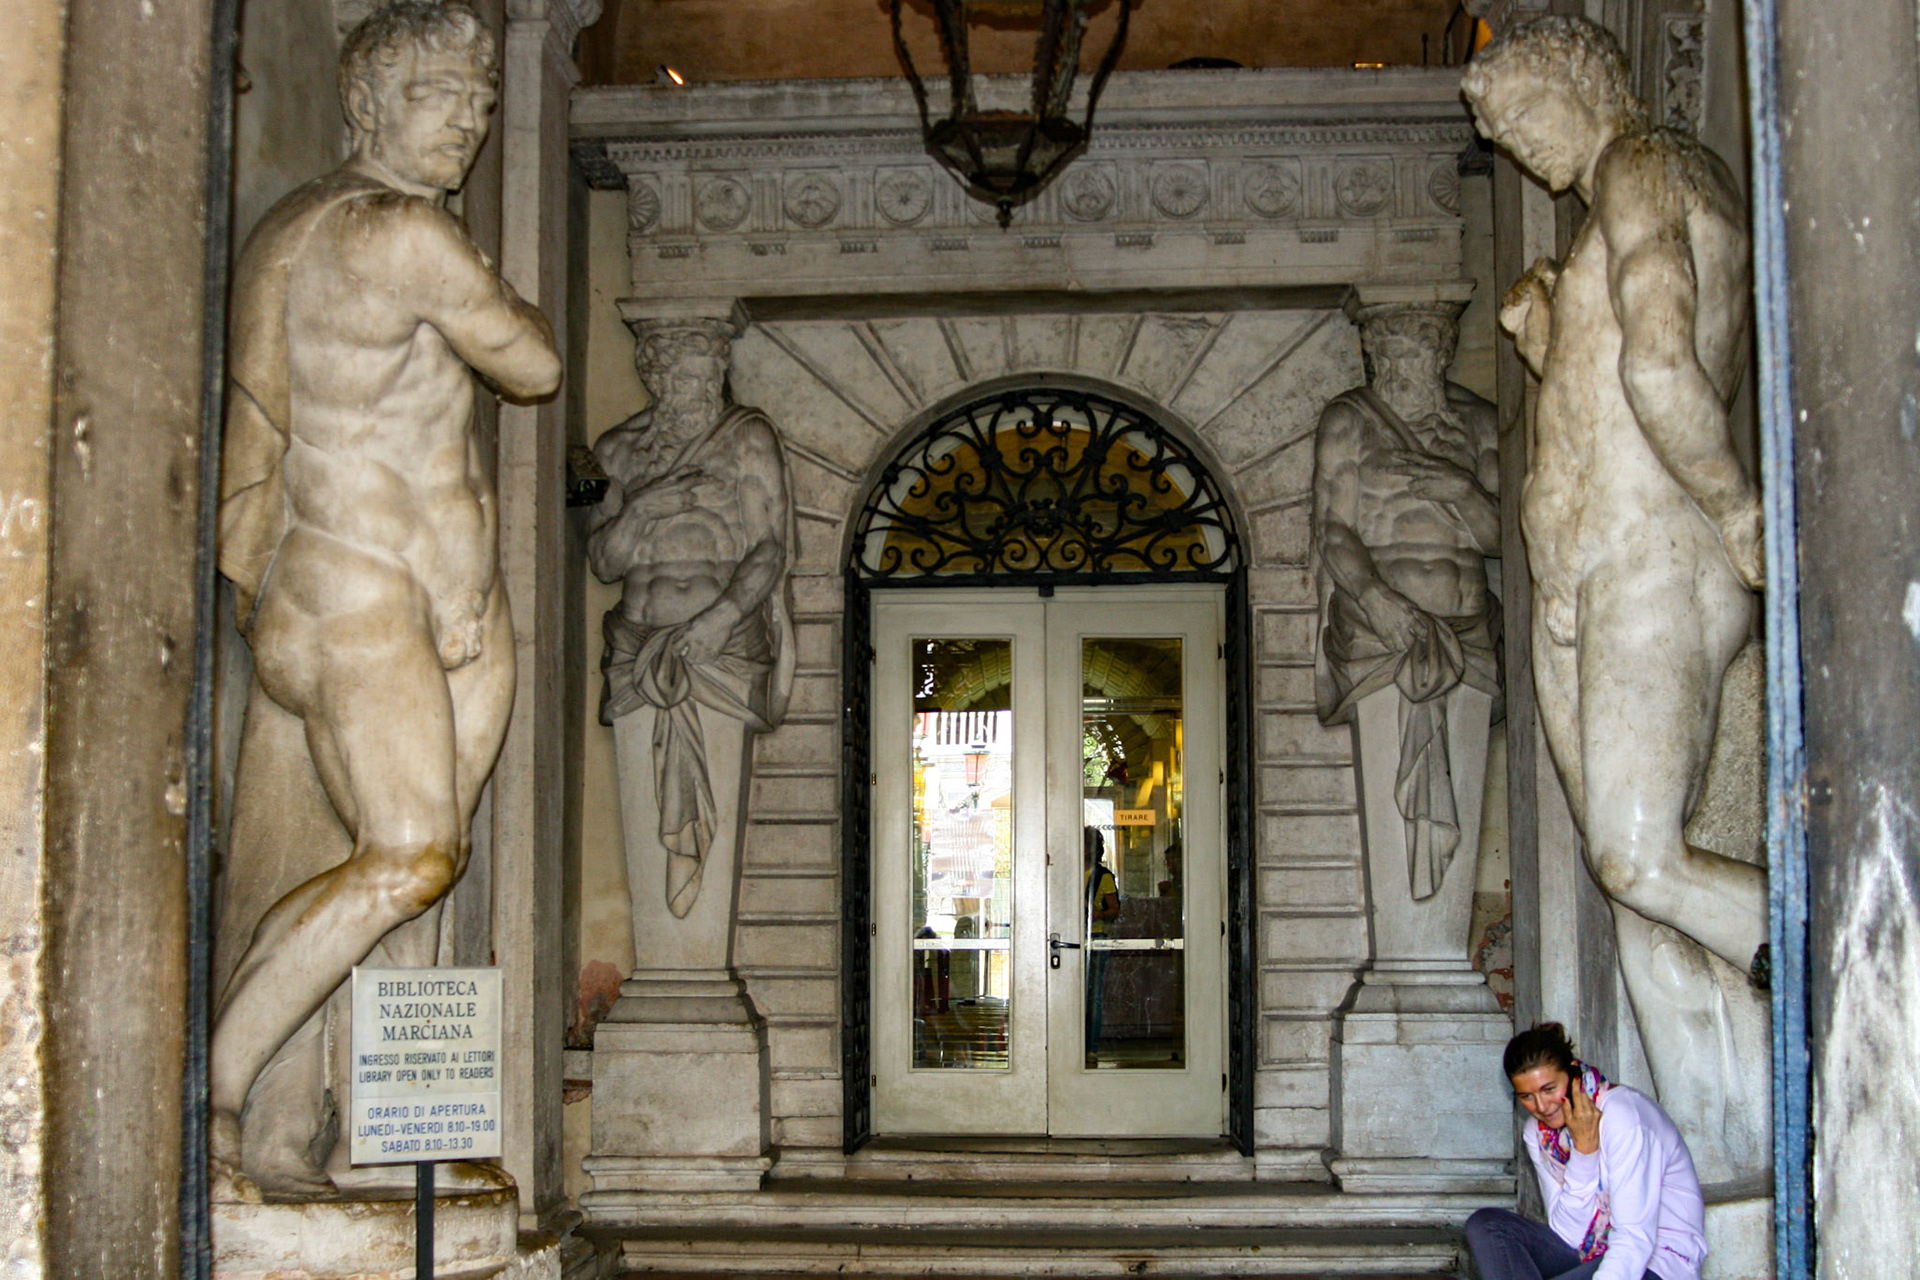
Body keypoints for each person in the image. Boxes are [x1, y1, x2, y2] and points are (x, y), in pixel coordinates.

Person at [212, 0, 561, 1201]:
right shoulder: (403, 234)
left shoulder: (287, 230)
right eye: (440, 97)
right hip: (362, 579)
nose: (466, 123)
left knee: (406, 873)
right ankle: (215, 1090)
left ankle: (370, 1128)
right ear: (367, 101)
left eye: (479, 102)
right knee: (411, 855)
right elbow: (534, 361)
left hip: (431, 588)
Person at [587, 319, 793, 972]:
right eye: (683, 377)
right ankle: (671, 968)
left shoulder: (746, 441)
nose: (698, 390)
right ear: (654, 373)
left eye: (707, 376)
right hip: (639, 649)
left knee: (716, 807)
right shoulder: (618, 452)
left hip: (719, 650)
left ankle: (695, 969)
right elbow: (603, 562)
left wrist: (722, 617)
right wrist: (646, 509)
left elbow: (770, 548)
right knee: (646, 808)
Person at [1465, 1023, 1707, 1280]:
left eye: (1549, 1089)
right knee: (1486, 1225)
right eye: (1526, 1096)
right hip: (1586, 1253)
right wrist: (1584, 1154)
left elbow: (1635, 1238)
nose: (1541, 1107)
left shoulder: (1624, 1117)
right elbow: (1568, 1234)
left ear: (1573, 1074)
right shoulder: (1538, 1134)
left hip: (1656, 1261)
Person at [1082, 827, 1120, 1056]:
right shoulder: (1070, 871)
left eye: (1087, 845)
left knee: (1093, 995)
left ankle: (1091, 1048)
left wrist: (1097, 915)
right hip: (1073, 937)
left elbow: (1114, 909)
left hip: (1096, 937)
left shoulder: (1103, 876)